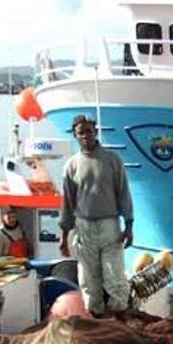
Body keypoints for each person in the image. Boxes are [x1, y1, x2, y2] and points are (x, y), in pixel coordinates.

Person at [59, 115, 134, 316]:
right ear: (75, 135)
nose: (85, 136)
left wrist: (129, 225)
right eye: (81, 132)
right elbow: (67, 203)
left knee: (115, 275)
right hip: (83, 226)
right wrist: (63, 237)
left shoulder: (112, 160)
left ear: (96, 132)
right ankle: (96, 318)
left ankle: (120, 317)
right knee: (88, 279)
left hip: (109, 225)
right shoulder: (71, 165)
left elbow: (123, 193)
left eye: (89, 131)